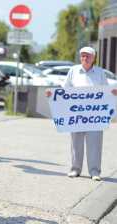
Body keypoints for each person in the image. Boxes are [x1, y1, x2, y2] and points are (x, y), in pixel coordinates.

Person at [48, 46, 117, 181]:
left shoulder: (99, 72)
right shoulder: (73, 71)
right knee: (76, 142)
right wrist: (52, 94)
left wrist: (112, 93)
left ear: (93, 58)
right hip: (76, 116)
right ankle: (75, 169)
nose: (85, 58)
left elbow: (105, 91)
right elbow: (64, 90)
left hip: (94, 117)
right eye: (82, 56)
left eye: (88, 56)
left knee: (95, 143)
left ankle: (94, 171)